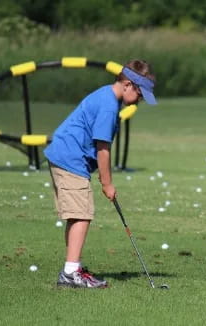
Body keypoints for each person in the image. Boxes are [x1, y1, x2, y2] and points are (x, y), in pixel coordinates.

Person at [44, 59, 157, 288]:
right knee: (82, 214)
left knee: (78, 214)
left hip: (64, 156)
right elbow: (102, 149)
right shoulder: (108, 105)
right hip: (70, 159)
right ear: (127, 84)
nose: (140, 100)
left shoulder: (108, 97)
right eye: (140, 94)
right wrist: (107, 184)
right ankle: (70, 273)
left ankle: (72, 268)